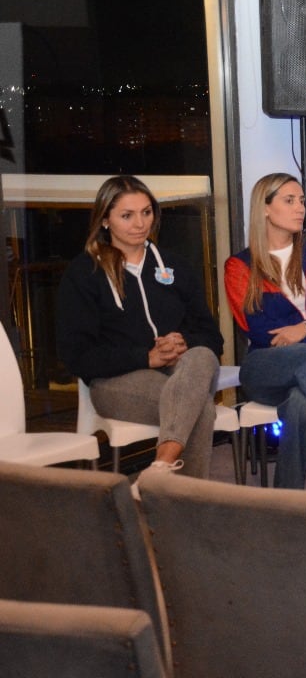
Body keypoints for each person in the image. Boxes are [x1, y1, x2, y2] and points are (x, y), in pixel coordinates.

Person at [55, 175, 222, 478]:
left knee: (203, 356)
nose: (140, 224)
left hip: (181, 372)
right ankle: (183, 502)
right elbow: (77, 356)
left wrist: (183, 342)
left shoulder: (175, 266)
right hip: (116, 382)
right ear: (105, 220)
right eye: (127, 215)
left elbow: (213, 337)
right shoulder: (84, 272)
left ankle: (160, 470)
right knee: (201, 408)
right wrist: (146, 357)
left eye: (146, 212)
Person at [224, 173, 306, 488]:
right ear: (265, 209)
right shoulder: (240, 266)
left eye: (302, 201)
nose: (300, 208)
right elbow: (258, 329)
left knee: (301, 406)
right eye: (289, 200)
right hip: (268, 368)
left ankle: (284, 500)